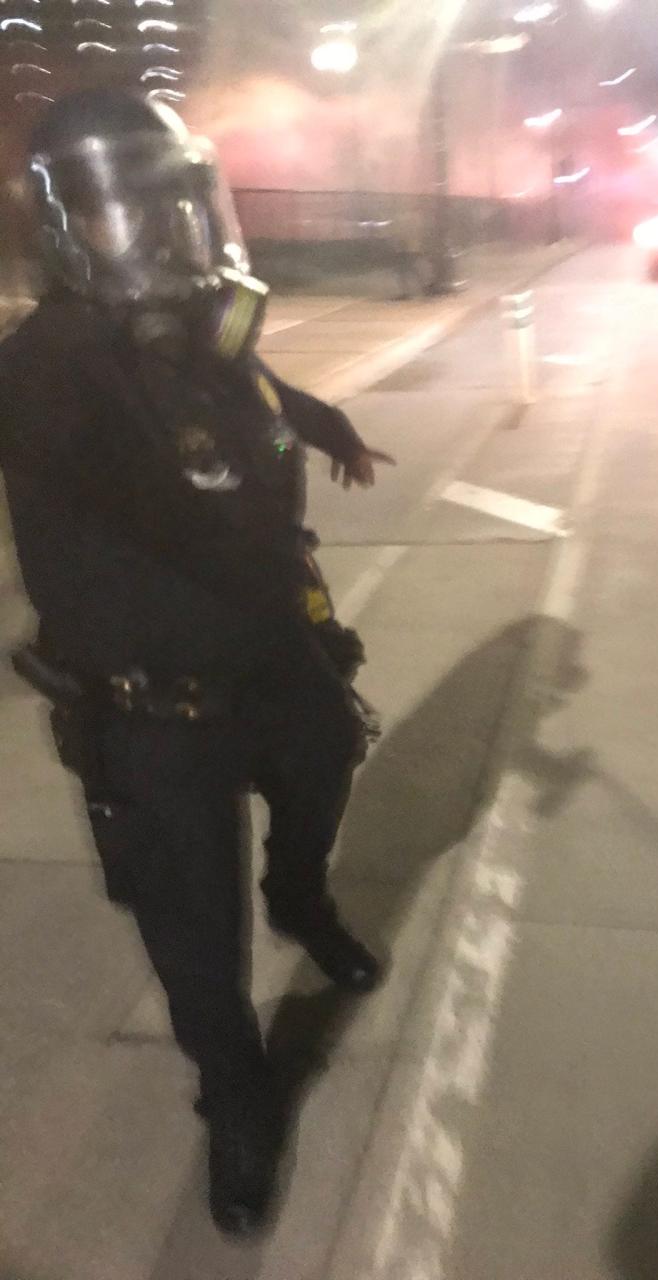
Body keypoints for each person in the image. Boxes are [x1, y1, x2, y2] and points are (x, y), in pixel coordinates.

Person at [0, 89, 396, 1237]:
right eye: (137, 212)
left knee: (326, 757)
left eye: (180, 204)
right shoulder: (48, 365)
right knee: (194, 940)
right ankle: (237, 1099)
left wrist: (324, 425)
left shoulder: (197, 335)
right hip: (153, 714)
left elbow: (255, 393)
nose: (169, 234)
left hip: (275, 658)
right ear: (69, 226)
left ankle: (300, 893)